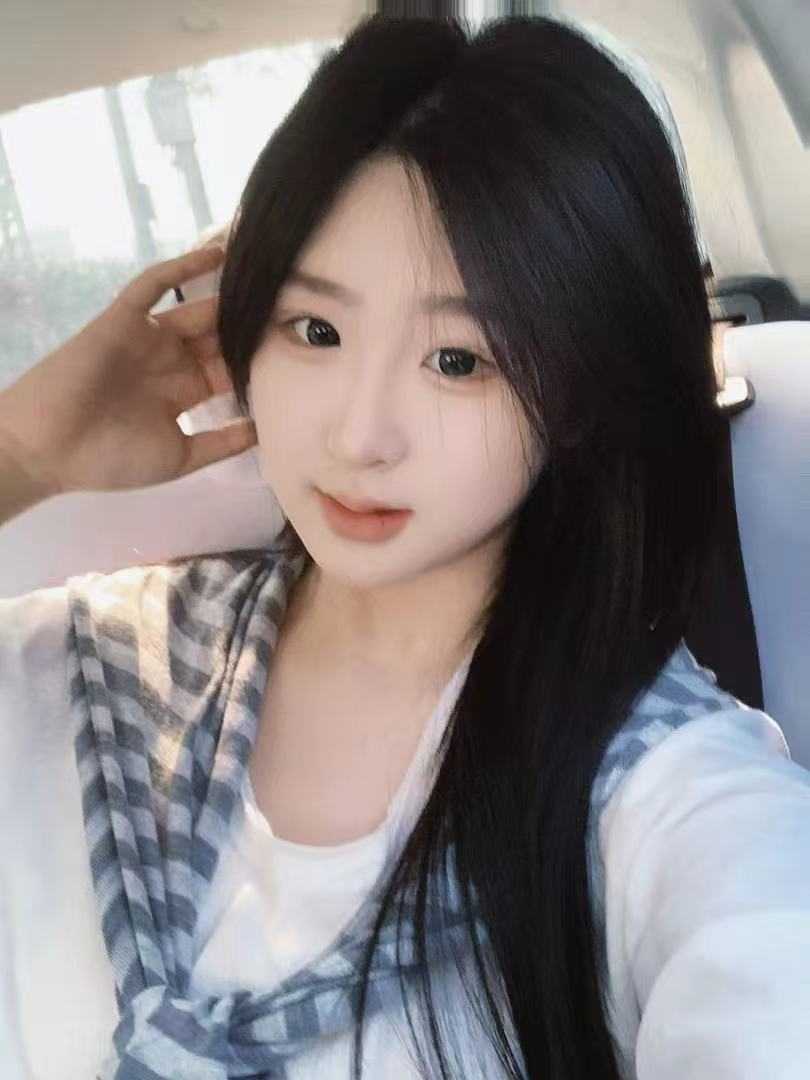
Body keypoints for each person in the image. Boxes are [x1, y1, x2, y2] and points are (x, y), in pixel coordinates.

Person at [2, 12, 810, 1080]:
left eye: (459, 361)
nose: (360, 436)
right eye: (316, 331)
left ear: (579, 391)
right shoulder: (98, 671)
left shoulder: (656, 786)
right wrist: (21, 453)